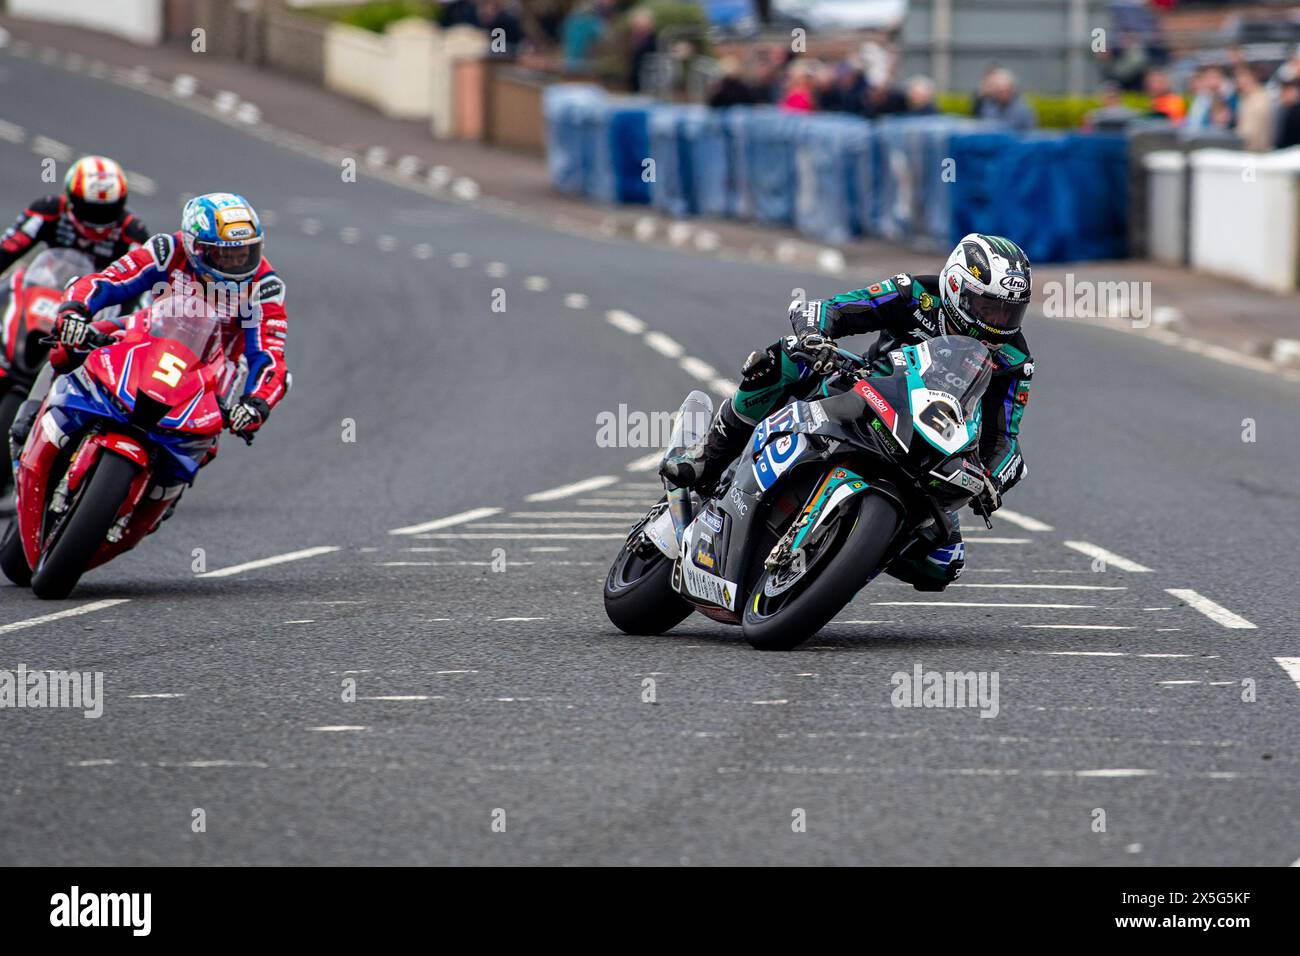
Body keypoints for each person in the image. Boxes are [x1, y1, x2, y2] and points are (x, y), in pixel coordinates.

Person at [661, 234, 1035, 592]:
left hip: (928, 446)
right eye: (989, 307)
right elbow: (833, 309)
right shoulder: (915, 293)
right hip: (864, 394)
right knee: (788, 357)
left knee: (943, 562)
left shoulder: (1015, 359)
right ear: (956, 288)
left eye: (1009, 311)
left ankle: (840, 558)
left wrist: (991, 480)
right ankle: (706, 457)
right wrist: (815, 335)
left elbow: (1004, 439)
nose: (998, 321)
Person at [10, 193, 288, 474]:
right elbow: (109, 280)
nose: (236, 264)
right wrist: (75, 311)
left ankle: (161, 495)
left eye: (245, 253)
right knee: (68, 346)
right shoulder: (168, 248)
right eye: (224, 254)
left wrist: (256, 403)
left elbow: (270, 355)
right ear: (196, 247)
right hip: (150, 331)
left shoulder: (265, 287)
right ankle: (31, 417)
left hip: (214, 364)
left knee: (206, 439)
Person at [0, 155, 149, 275]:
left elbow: (145, 282)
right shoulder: (49, 210)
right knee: (16, 278)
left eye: (108, 210)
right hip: (47, 287)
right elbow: (8, 246)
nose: (97, 220)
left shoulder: (133, 233)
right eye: (89, 209)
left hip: (97, 305)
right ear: (71, 200)